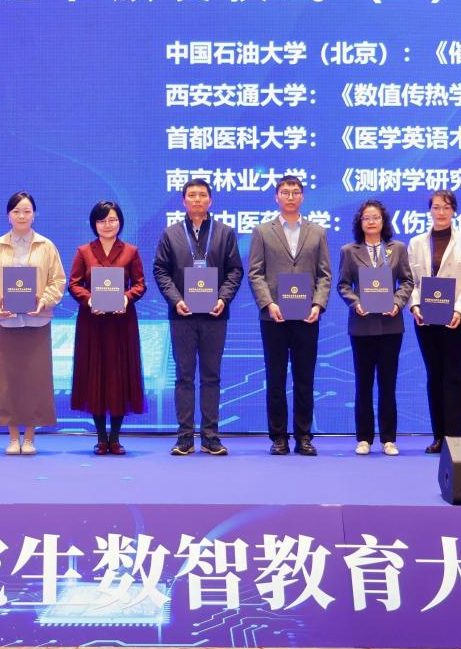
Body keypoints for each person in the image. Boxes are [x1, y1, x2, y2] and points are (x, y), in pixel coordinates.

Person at [152, 178, 243, 456]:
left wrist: (223, 298)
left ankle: (211, 437)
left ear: (210, 200)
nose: (197, 199)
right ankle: (184, 437)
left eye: (202, 195)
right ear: (183, 201)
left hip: (215, 315)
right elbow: (160, 271)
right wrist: (176, 300)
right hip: (182, 315)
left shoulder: (225, 233)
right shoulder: (171, 234)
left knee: (211, 377)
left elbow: (235, 271)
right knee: (184, 376)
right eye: (191, 195)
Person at [248, 175, 331, 456]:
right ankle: (278, 437)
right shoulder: (262, 231)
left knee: (304, 378)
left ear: (302, 196)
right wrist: (268, 303)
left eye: (295, 192)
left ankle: (304, 437)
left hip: (307, 317)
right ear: (277, 196)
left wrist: (318, 305)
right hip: (274, 317)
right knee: (275, 378)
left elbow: (324, 274)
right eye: (285, 192)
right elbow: (255, 273)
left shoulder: (317, 232)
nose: (291, 196)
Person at [0, 191, 65, 455]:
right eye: (16, 211)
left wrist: (44, 301)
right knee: (9, 381)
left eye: (27, 211)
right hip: (6, 324)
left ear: (34, 215)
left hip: (37, 322)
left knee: (35, 381)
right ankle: (13, 437)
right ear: (8, 215)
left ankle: (30, 438)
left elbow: (57, 281)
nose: (22, 216)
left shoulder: (46, 246)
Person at [337, 200, 414, 456]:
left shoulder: (397, 248)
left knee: (388, 384)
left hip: (391, 325)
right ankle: (364, 438)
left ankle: (389, 439)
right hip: (361, 325)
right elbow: (343, 285)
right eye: (366, 218)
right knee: (363, 383)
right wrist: (355, 303)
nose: (371, 222)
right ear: (360, 223)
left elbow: (407, 281)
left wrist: (397, 302)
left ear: (383, 221)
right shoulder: (349, 251)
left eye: (376, 217)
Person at [69, 200, 147, 455]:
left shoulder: (131, 251)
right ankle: (101, 438)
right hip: (92, 324)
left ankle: (115, 438)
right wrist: (90, 300)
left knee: (118, 376)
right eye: (102, 221)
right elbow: (74, 284)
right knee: (95, 376)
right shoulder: (84, 251)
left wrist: (126, 298)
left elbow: (140, 284)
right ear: (94, 224)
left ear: (120, 222)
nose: (107, 225)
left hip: (121, 324)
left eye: (112, 220)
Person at [407, 190, 461, 454]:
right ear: (430, 210)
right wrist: (415, 306)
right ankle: (438, 436)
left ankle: (455, 438)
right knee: (434, 376)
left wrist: (458, 310)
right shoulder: (416, 242)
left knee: (453, 376)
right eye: (436, 207)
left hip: (455, 319)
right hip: (425, 319)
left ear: (454, 211)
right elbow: (411, 281)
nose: (441, 212)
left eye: (446, 207)